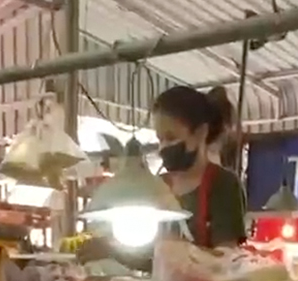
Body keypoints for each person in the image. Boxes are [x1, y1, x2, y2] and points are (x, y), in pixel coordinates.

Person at [78, 86, 248, 265]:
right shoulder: (156, 187)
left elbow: (227, 260)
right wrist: (113, 250)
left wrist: (175, 252)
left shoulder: (223, 184)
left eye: (171, 137)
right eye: (160, 139)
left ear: (200, 133)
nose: (163, 148)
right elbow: (149, 260)